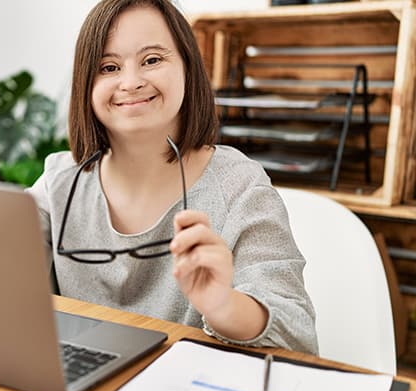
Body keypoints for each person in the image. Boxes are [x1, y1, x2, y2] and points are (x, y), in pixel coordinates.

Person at [26, 0, 318, 354]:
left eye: (152, 60)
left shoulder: (238, 185)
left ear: (188, 68)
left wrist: (223, 304)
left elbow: (295, 332)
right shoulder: (60, 182)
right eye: (108, 67)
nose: (131, 82)